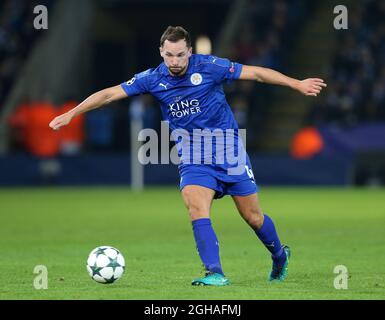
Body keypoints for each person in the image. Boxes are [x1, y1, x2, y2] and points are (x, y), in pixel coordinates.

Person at [49, 26, 326, 286]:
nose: (175, 60)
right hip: (194, 156)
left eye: (180, 54)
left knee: (253, 217)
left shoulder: (210, 66)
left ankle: (279, 255)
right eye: (169, 54)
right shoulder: (152, 78)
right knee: (196, 206)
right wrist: (72, 113)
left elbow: (255, 74)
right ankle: (215, 273)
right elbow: (110, 94)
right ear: (161, 52)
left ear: (190, 52)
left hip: (228, 150)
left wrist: (296, 84)